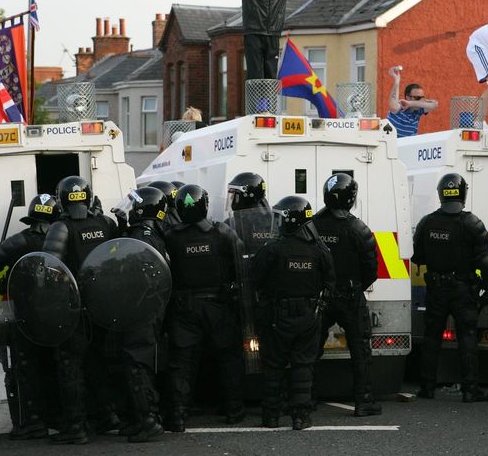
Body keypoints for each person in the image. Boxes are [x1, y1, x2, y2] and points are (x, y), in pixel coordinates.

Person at [164, 184, 246, 431]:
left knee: (182, 362)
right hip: (218, 306)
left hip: (184, 308)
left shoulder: (171, 237)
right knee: (229, 358)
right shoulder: (223, 233)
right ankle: (234, 409)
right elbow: (240, 267)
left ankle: (178, 414)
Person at [43, 176, 118, 444]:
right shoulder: (106, 223)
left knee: (70, 366)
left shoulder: (60, 228)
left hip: (75, 310)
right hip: (104, 307)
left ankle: (76, 427)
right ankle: (107, 417)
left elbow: (49, 269)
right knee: (99, 362)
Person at [252, 195, 336, 430]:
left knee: (273, 366)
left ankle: (271, 416)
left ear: (290, 220)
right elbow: (330, 283)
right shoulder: (320, 250)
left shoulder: (272, 248)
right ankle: (301, 416)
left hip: (276, 316)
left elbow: (255, 279)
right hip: (308, 315)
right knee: (303, 367)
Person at [412, 173, 488, 402]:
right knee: (467, 336)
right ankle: (470, 390)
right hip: (462, 288)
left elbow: (417, 257)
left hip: (436, 288)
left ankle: (426, 387)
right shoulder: (472, 223)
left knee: (432, 337)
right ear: (463, 194)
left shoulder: (427, 222)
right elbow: (486, 261)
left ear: (441, 193)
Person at [0, 194, 60, 440]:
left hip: (24, 317)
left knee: (25, 369)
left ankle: (32, 422)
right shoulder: (62, 239)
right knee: (56, 366)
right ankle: (61, 419)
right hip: (58, 316)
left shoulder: (19, 241)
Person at [312, 173, 381, 416]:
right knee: (360, 349)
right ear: (351, 198)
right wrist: (354, 286)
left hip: (320, 296)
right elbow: (371, 269)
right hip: (350, 295)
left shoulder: (312, 225)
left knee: (311, 348)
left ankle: (307, 398)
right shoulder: (358, 228)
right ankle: (363, 401)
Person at [118, 186, 169, 442]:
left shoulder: (143, 236)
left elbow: (142, 276)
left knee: (137, 365)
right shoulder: (155, 233)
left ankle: (148, 420)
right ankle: (141, 419)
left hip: (141, 310)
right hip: (150, 310)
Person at [387, 66, 438, 137]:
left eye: (422, 98)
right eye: (417, 97)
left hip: (408, 145)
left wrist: (410, 103)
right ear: (408, 97)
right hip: (392, 145)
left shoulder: (418, 111)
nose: (421, 100)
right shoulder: (401, 106)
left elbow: (435, 104)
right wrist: (396, 81)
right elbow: (393, 107)